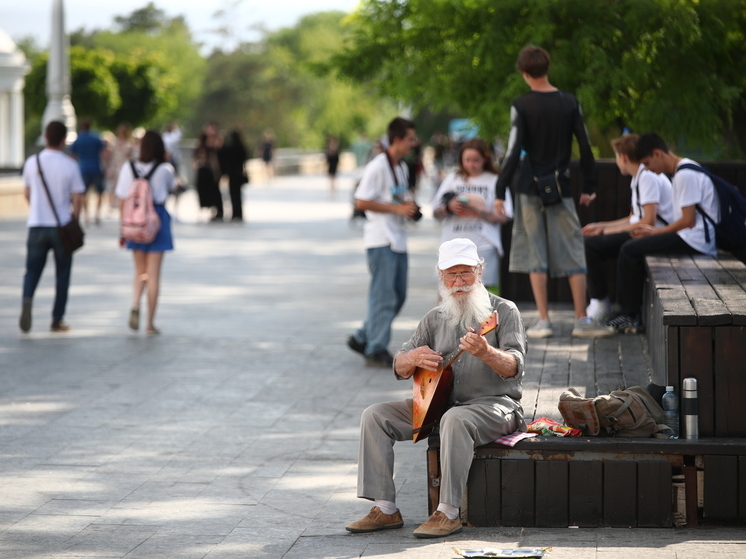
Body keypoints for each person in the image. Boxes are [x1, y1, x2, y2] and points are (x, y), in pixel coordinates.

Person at [345, 238, 526, 539]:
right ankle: (385, 509)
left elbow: (515, 366)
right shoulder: (434, 317)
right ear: (440, 277)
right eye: (451, 274)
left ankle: (448, 511)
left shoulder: (504, 311)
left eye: (466, 273)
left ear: (480, 271)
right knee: (375, 415)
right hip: (440, 404)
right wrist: (411, 358)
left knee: (453, 420)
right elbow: (399, 368)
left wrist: (486, 352)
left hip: (496, 405)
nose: (459, 282)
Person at [493, 45, 612, 339]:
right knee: (573, 250)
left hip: (528, 188)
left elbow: (511, 152)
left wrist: (499, 190)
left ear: (524, 73)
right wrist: (590, 186)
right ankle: (581, 320)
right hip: (561, 189)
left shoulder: (521, 105)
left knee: (535, 252)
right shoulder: (568, 102)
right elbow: (584, 146)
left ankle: (543, 321)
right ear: (548, 67)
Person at [605, 133, 719, 332]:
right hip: (692, 237)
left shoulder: (685, 175)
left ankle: (629, 314)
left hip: (696, 241)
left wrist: (655, 232)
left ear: (657, 154)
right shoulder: (684, 169)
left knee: (630, 250)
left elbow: (688, 221)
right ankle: (628, 311)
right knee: (631, 248)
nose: (648, 169)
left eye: (647, 163)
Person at [347, 117, 420, 367]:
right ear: (397, 139)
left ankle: (362, 336)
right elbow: (361, 201)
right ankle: (375, 347)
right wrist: (396, 209)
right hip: (380, 240)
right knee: (384, 297)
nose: (414, 143)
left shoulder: (400, 166)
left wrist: (407, 208)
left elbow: (397, 198)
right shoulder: (378, 165)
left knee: (397, 296)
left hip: (397, 239)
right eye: (410, 139)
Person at [582, 134, 674, 322]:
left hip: (656, 234)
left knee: (596, 246)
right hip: (646, 231)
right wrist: (603, 227)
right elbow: (634, 218)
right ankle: (605, 304)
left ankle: (610, 306)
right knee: (591, 242)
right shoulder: (638, 177)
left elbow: (648, 220)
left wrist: (607, 231)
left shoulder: (647, 176)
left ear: (623, 157)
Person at [19, 120, 86, 333]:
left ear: (46, 137)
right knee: (63, 273)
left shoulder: (32, 162)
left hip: (37, 224)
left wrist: (37, 209)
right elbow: (78, 197)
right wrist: (75, 218)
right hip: (62, 227)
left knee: (32, 271)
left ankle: (28, 299)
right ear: (64, 140)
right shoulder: (70, 164)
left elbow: (27, 193)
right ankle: (57, 319)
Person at [115, 130, 177, 335]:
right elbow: (172, 189)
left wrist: (122, 228)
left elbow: (122, 199)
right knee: (154, 275)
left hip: (134, 221)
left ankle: (135, 304)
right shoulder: (165, 169)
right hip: (156, 220)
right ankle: (150, 323)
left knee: (139, 271)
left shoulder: (129, 167)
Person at [432, 138, 513, 292]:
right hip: (452, 246)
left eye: (476, 160)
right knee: (448, 292)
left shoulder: (495, 181)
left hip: (483, 245)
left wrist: (480, 211)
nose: (471, 165)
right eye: (467, 160)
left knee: (481, 294)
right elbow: (436, 212)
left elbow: (505, 216)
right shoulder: (453, 179)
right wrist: (449, 207)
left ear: (485, 159)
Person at [70, 117, 106, 225]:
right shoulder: (96, 138)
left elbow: (72, 155)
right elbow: (104, 153)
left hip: (83, 168)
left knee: (83, 193)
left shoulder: (78, 139)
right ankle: (97, 214)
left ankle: (86, 215)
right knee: (100, 192)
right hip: (96, 167)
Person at [104, 123, 134, 215]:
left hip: (123, 166)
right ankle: (111, 205)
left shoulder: (128, 143)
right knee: (112, 187)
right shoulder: (116, 142)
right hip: (115, 166)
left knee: (122, 187)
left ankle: (119, 205)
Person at [219, 129, 248, 222]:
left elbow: (222, 155)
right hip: (239, 173)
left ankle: (234, 214)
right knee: (238, 195)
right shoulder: (241, 147)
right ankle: (239, 214)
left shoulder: (230, 148)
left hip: (232, 174)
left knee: (233, 194)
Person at [194, 131, 223, 222]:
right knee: (209, 193)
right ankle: (210, 211)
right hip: (206, 173)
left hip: (203, 173)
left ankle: (203, 211)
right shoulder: (207, 150)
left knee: (204, 193)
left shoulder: (200, 150)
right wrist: (217, 173)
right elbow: (214, 162)